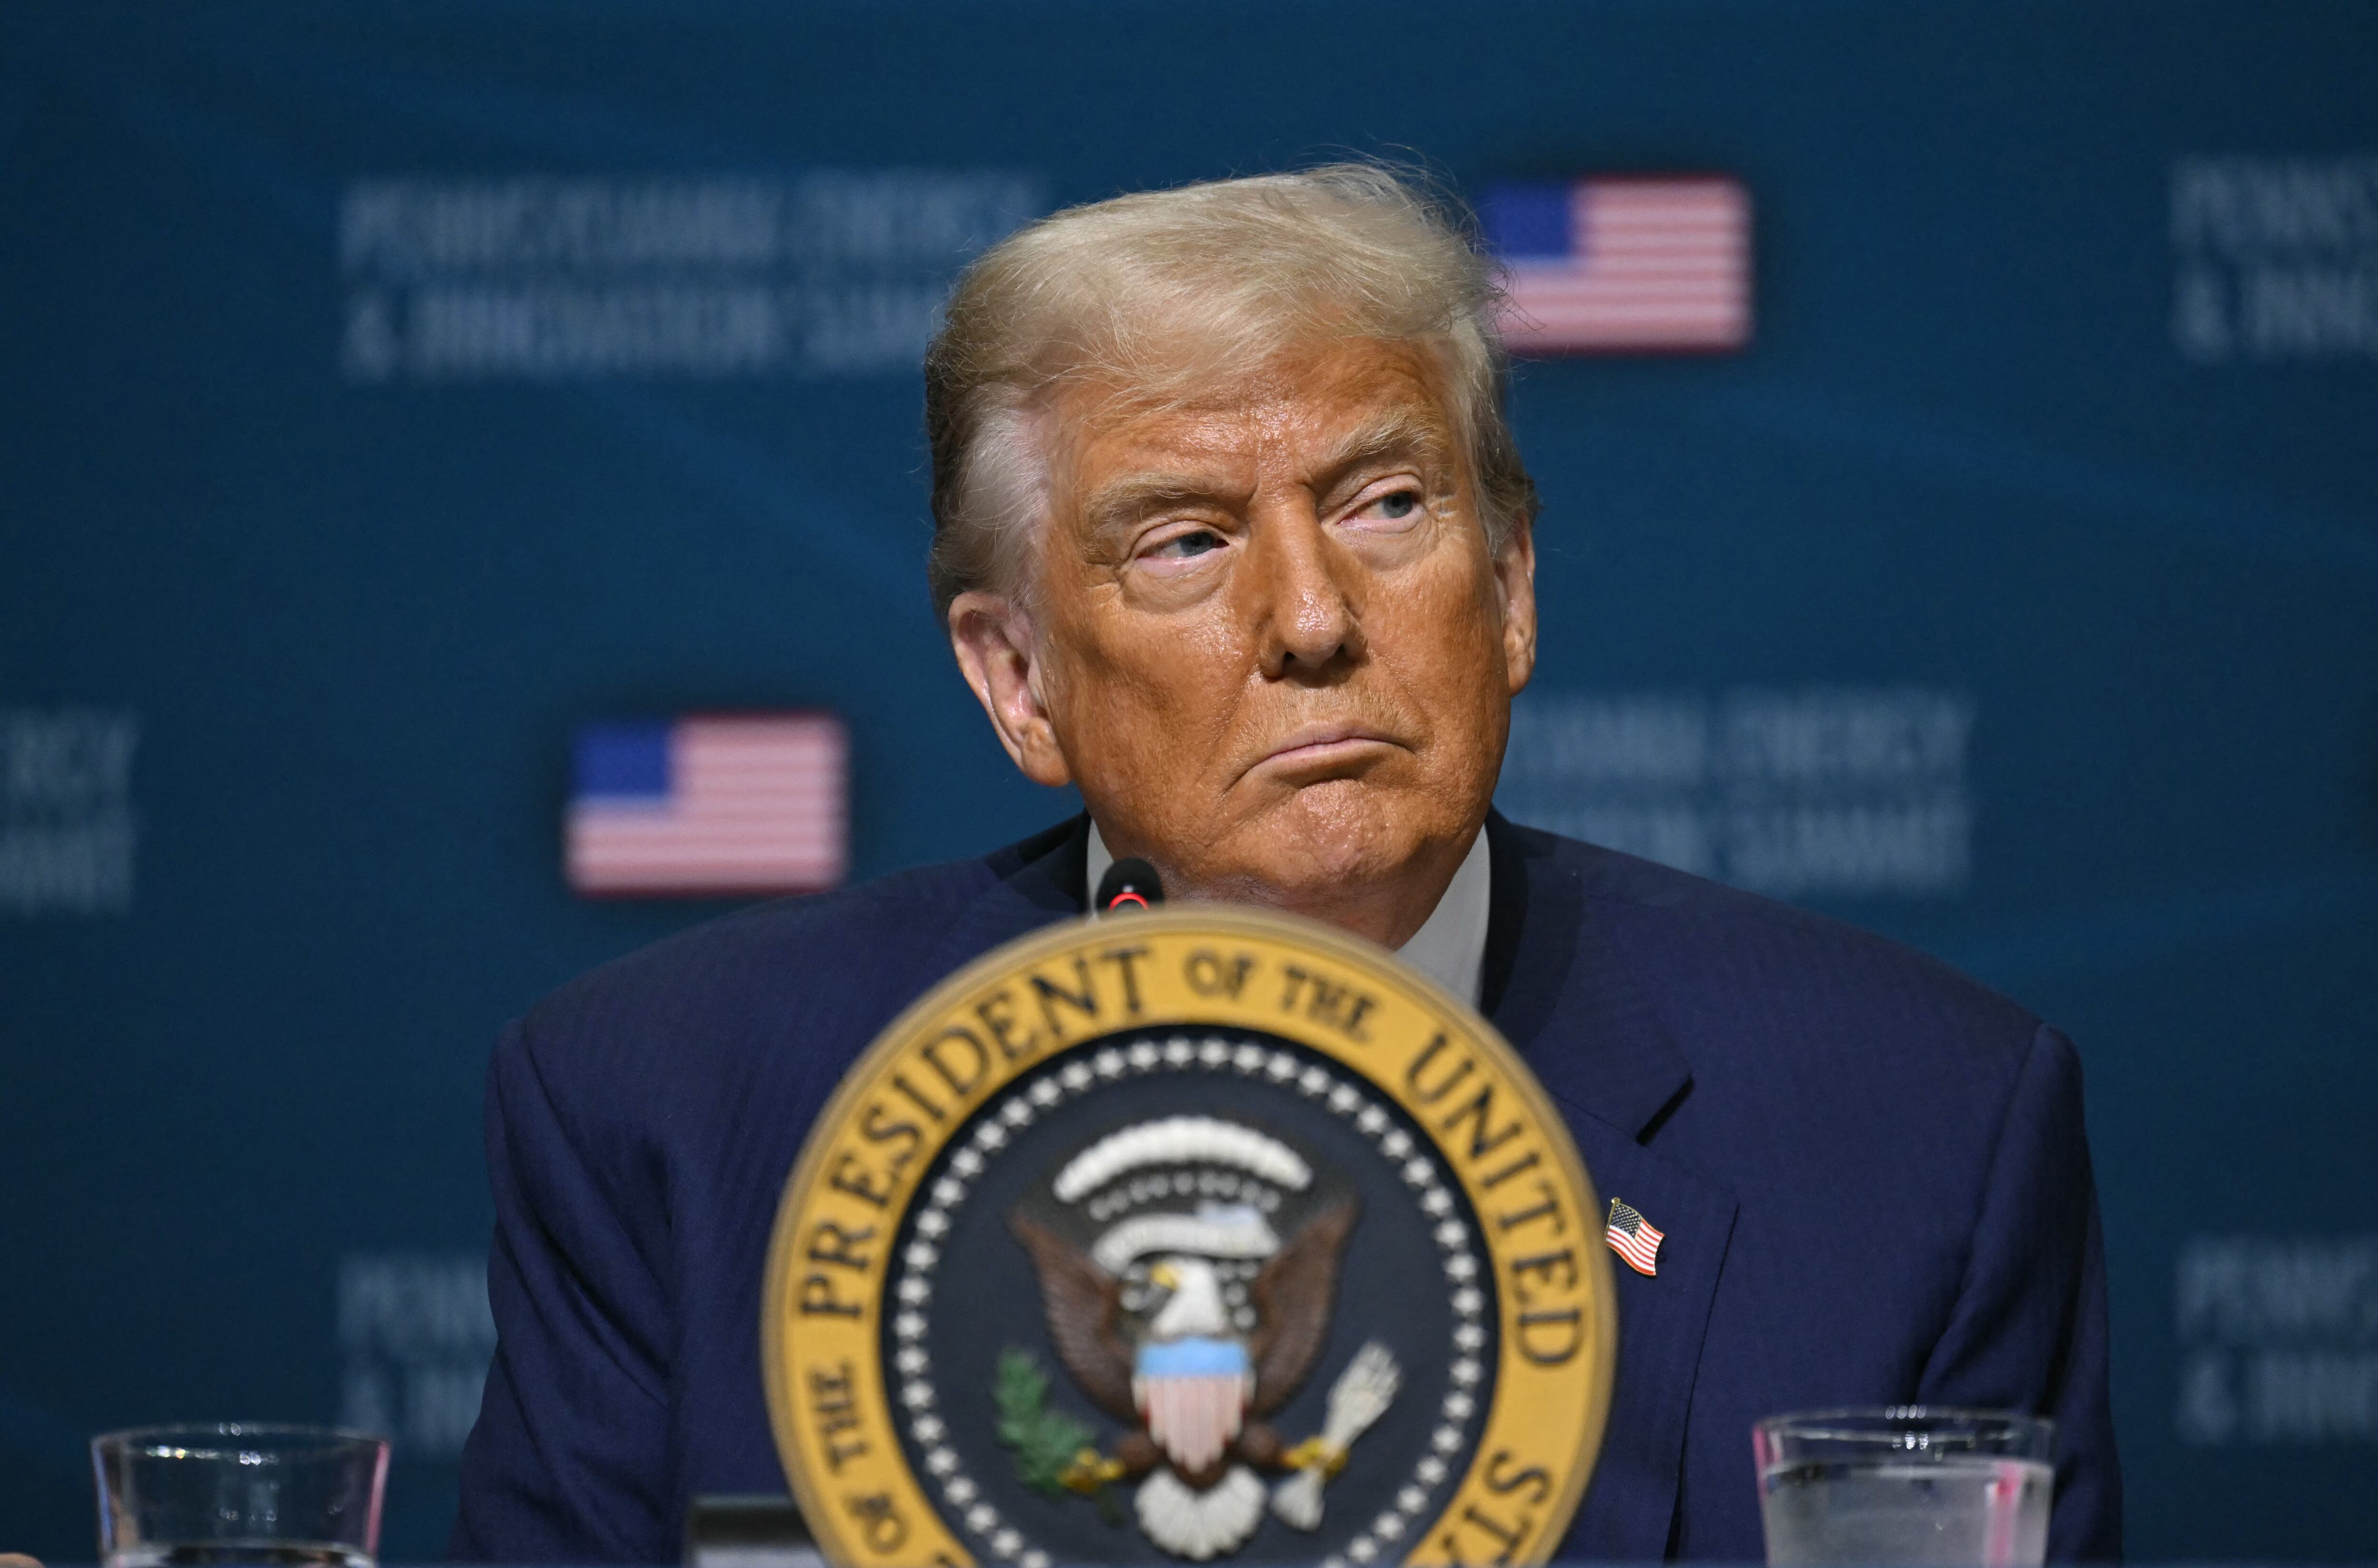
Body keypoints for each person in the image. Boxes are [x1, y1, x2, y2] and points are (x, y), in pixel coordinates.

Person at [450, 165, 2119, 1561]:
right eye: (1185, 540)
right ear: (1018, 679)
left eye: (1387, 504)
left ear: (1514, 582)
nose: (1313, 620)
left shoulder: (1921, 1132)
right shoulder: (670, 1115)